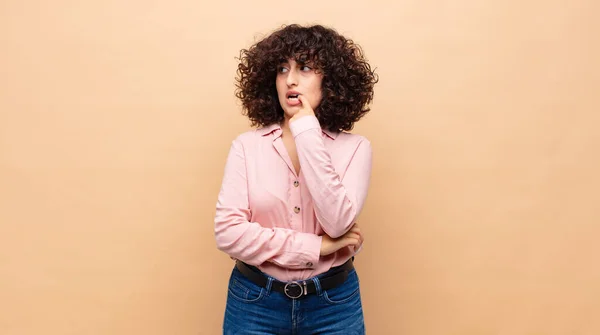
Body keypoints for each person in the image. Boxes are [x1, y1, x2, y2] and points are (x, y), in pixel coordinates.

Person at [214, 23, 378, 334]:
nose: (290, 79)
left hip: (334, 304)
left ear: (329, 79)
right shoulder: (247, 147)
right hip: (254, 302)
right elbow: (228, 233)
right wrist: (316, 248)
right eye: (282, 68)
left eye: (305, 67)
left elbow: (338, 223)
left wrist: (306, 131)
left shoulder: (355, 149)